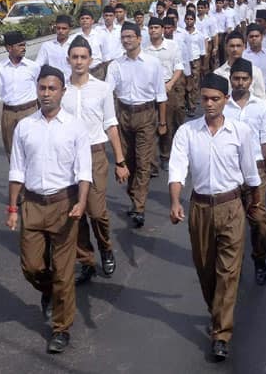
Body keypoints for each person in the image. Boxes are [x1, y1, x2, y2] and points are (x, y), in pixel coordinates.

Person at [168, 73, 262, 362]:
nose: (209, 104)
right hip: (200, 209)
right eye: (205, 98)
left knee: (228, 273)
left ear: (225, 100)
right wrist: (175, 201)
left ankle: (221, 334)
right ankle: (216, 312)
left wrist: (255, 206)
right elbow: (177, 169)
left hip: (231, 206)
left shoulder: (241, 132)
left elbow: (250, 173)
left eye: (215, 99)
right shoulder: (187, 132)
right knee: (206, 269)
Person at [6, 65, 92, 354]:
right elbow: (17, 168)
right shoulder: (25, 127)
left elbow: (84, 171)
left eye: (52, 88)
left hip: (64, 205)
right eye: (42, 88)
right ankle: (48, 292)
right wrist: (13, 207)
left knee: (64, 271)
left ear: (62, 91)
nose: (46, 93)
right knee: (31, 266)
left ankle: (60, 328)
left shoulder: (75, 127)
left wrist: (81, 202)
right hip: (31, 204)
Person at [63, 37, 130, 285]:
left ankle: (105, 247)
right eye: (75, 57)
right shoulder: (60, 88)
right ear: (68, 59)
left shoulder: (102, 88)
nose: (79, 61)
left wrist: (120, 161)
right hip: (67, 159)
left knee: (96, 211)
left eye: (83, 57)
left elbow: (111, 124)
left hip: (95, 155)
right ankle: (86, 261)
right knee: (75, 212)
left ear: (91, 60)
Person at [105, 22, 167, 228]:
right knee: (127, 161)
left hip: (146, 115)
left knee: (143, 162)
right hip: (123, 115)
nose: (127, 40)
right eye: (123, 37)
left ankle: (139, 207)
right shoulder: (115, 65)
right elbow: (106, 93)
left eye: (130, 36)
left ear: (139, 39)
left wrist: (162, 122)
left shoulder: (152, 63)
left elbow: (161, 95)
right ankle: (135, 198)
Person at [224, 59, 266, 286]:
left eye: (245, 79)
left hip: (256, 169)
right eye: (236, 79)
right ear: (231, 80)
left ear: (251, 81)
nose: (241, 83)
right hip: (230, 170)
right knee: (231, 222)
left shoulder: (262, 107)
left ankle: (260, 259)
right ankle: (233, 264)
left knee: (259, 220)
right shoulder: (223, 106)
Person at [0, 31, 40, 156]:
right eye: (20, 45)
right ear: (9, 48)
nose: (23, 48)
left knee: (34, 149)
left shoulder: (33, 67)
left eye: (24, 45)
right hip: (8, 114)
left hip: (30, 112)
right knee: (12, 151)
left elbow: (40, 89)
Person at [148, 16, 186, 173]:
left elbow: (179, 67)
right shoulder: (144, 49)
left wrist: (170, 84)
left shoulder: (172, 46)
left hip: (168, 87)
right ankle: (152, 162)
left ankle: (165, 156)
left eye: (156, 27)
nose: (153, 30)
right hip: (150, 92)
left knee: (167, 124)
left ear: (162, 30)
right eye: (151, 28)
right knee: (150, 124)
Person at [36, 15, 76, 80]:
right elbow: (38, 65)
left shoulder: (75, 45)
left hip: (72, 83)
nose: (60, 31)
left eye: (64, 28)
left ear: (70, 29)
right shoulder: (47, 46)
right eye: (58, 28)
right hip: (54, 84)